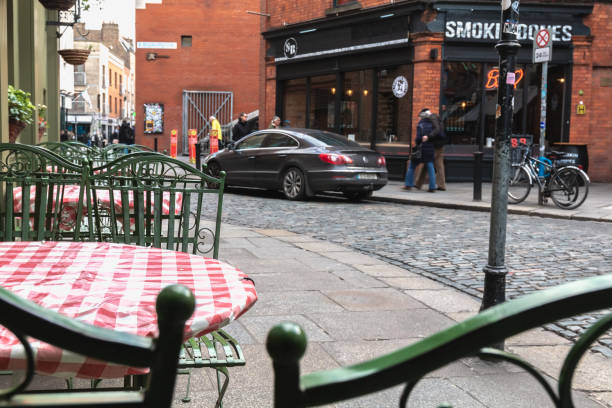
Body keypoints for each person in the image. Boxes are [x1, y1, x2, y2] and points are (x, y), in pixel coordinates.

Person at [403, 108, 436, 192]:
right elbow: (434, 136)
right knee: (430, 167)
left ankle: (408, 184)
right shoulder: (433, 125)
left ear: (422, 116)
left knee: (412, 166)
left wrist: (417, 141)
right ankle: (432, 187)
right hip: (430, 148)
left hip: (420, 150)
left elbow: (418, 138)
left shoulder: (420, 125)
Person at [414, 111, 447, 191]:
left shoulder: (432, 118)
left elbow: (437, 130)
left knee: (427, 162)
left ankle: (419, 184)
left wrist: (429, 136)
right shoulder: (436, 117)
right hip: (440, 144)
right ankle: (441, 185)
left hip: (435, 145)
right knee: (438, 165)